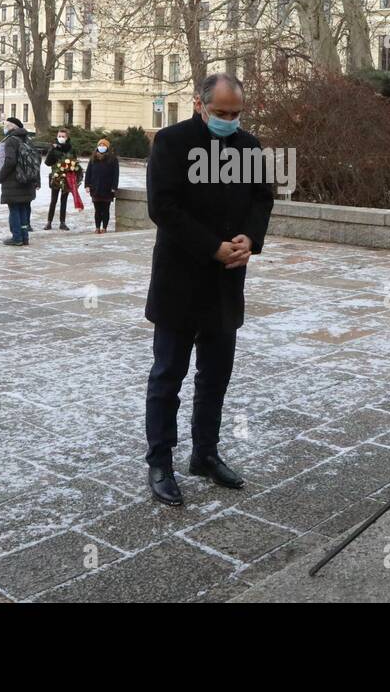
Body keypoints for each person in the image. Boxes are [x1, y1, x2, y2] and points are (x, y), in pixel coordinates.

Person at [143, 73, 274, 506]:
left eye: (236, 114)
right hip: (179, 279)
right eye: (221, 113)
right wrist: (211, 247)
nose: (229, 121)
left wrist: (249, 240)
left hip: (225, 282)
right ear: (199, 105)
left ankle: (206, 453)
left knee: (215, 376)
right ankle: (160, 461)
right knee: (168, 377)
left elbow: (262, 199)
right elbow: (163, 207)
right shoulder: (171, 142)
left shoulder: (249, 146)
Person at [0, 117, 39, 246]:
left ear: (12, 127)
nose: (5, 127)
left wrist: (1, 176)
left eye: (7, 125)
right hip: (28, 181)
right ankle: (24, 237)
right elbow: (37, 161)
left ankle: (16, 237)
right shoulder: (28, 140)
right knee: (24, 209)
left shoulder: (11, 141)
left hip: (13, 181)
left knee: (14, 209)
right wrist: (36, 180)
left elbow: (10, 161)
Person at [83, 137, 120, 234]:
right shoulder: (93, 158)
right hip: (95, 188)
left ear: (107, 147)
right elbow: (88, 173)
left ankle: (104, 227)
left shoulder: (113, 159)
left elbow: (116, 174)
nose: (101, 147)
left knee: (105, 210)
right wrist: (87, 185)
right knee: (97, 210)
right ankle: (97, 227)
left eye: (103, 145)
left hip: (107, 189)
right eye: (100, 145)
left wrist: (114, 187)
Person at [43, 128, 76, 231]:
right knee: (53, 200)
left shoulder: (71, 148)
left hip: (67, 177)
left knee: (64, 200)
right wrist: (52, 150)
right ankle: (49, 222)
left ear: (67, 137)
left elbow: (74, 162)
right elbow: (47, 162)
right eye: (59, 136)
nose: (61, 138)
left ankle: (62, 222)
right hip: (56, 176)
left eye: (63, 136)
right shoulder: (54, 147)